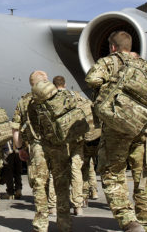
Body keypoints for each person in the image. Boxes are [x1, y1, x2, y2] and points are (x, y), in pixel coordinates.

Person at [86, 31, 147, 232]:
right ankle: (145, 224)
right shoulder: (146, 66)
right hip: (143, 127)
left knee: (111, 173)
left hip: (116, 127)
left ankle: (128, 220)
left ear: (113, 47)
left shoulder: (109, 61)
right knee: (143, 175)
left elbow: (92, 79)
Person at [12, 71, 58, 231]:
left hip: (36, 148)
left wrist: (19, 149)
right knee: (60, 181)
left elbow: (16, 130)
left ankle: (41, 224)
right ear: (46, 81)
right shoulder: (58, 97)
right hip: (58, 146)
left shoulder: (24, 102)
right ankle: (64, 221)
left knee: (39, 184)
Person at [52, 75, 85, 216]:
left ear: (54, 85)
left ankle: (53, 205)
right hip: (77, 138)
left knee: (56, 172)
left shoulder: (51, 98)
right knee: (76, 170)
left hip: (60, 140)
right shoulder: (76, 96)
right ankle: (78, 205)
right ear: (65, 84)